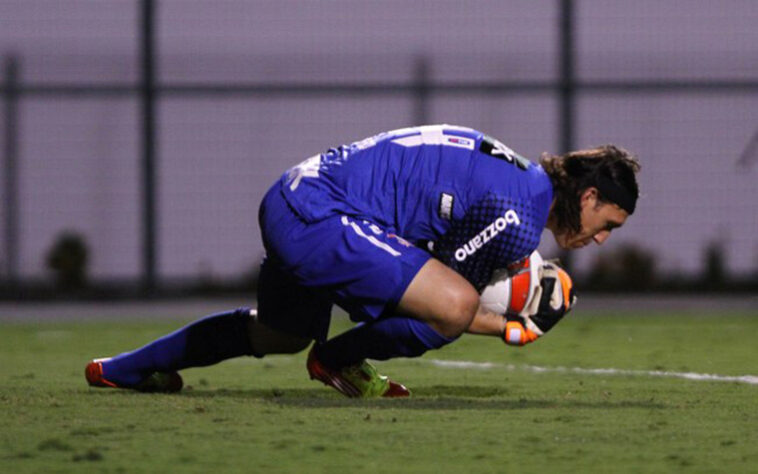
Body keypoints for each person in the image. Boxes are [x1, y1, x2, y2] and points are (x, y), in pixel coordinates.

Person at [85, 124, 640, 397]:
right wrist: (510, 328)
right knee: (451, 307)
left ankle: (121, 370)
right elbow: (448, 299)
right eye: (607, 225)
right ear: (589, 198)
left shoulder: (522, 178)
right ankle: (339, 361)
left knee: (279, 333)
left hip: (298, 199)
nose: (600, 239)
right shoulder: (520, 215)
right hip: (319, 216)